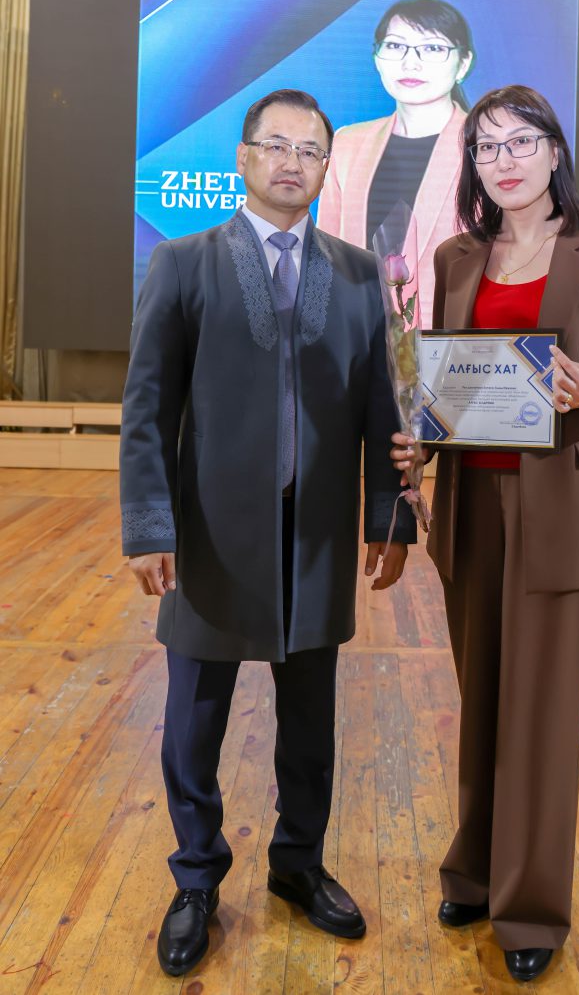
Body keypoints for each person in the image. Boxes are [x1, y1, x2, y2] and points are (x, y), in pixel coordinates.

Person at [120, 88, 415, 977]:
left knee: (310, 725)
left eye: (310, 149)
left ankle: (298, 863)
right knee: (192, 723)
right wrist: (149, 524)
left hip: (316, 535)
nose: (293, 162)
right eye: (275, 145)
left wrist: (390, 516)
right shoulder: (183, 263)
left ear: (328, 167)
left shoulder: (359, 274)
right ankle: (196, 877)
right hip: (209, 534)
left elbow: (384, 409)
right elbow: (146, 408)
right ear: (243, 158)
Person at [392, 85, 579, 983]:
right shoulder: (455, 255)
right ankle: (474, 872)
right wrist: (421, 438)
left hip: (561, 515)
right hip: (473, 507)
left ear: (554, 152)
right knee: (483, 703)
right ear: (471, 164)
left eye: (520, 142)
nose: (502, 160)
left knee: (541, 717)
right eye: (486, 147)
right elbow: (451, 377)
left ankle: (533, 906)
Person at [317, 0, 474, 325]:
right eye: (395, 46)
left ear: (463, 64)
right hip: (356, 337)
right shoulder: (347, 143)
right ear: (377, 57)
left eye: (432, 48)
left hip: (448, 339)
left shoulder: (484, 148)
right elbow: (326, 255)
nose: (410, 63)